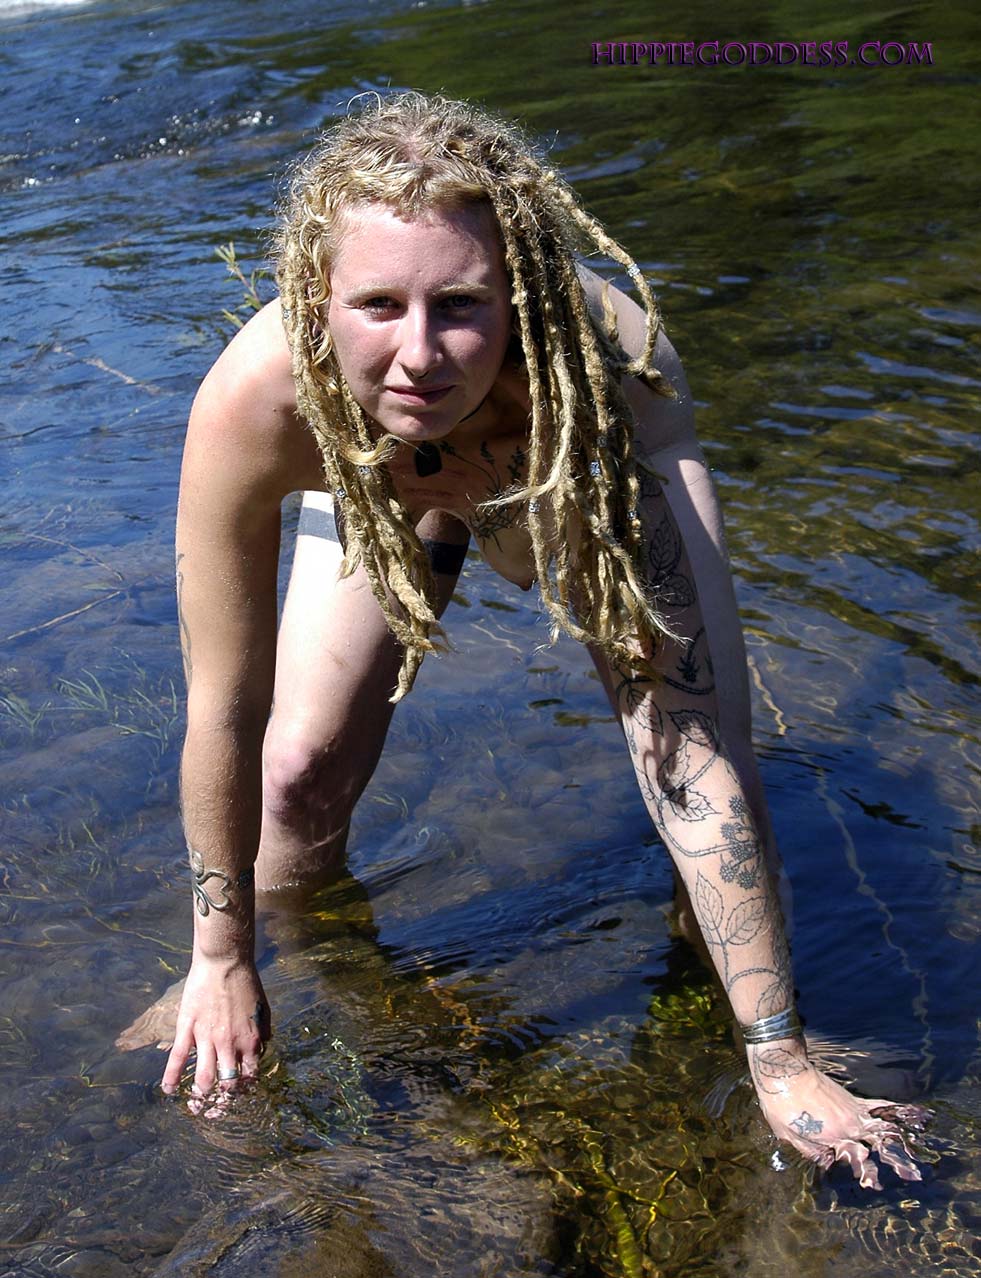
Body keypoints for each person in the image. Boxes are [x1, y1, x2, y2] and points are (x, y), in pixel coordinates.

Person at [130, 92, 924, 1187]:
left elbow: (687, 757)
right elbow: (223, 705)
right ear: (317, 297)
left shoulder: (607, 376)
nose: (418, 354)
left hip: (554, 462)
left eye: (459, 304)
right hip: (373, 476)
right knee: (298, 774)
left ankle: (745, 1026)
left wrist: (780, 1060)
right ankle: (291, 975)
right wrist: (217, 956)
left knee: (702, 760)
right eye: (377, 304)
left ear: (519, 295)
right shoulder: (256, 404)